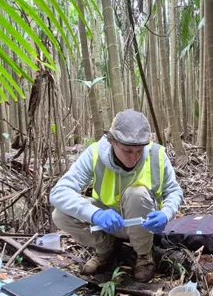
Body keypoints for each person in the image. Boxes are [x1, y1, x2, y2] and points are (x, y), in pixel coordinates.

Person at [50, 109, 183, 282]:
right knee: (60, 214)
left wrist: (166, 213)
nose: (133, 158)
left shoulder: (156, 154)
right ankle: (106, 248)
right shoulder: (95, 153)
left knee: (136, 192)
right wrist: (95, 214)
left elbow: (173, 190)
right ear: (112, 141)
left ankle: (143, 255)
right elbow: (59, 192)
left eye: (138, 151)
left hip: (143, 223)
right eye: (127, 151)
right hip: (108, 223)